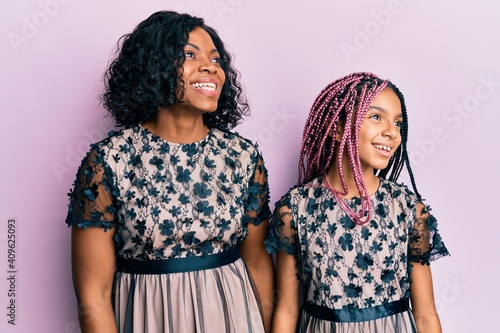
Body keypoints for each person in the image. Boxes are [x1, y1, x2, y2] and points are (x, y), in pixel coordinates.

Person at [66, 11, 275, 333]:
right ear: (154, 66)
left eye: (215, 59)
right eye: (190, 55)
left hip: (235, 317)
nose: (210, 67)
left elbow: (258, 265)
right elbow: (94, 296)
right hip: (148, 319)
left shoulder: (243, 157)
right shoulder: (109, 161)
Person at [266, 72, 449, 332]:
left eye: (398, 123)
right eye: (376, 117)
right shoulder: (296, 209)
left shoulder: (407, 209)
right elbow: (286, 308)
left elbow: (426, 315)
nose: (392, 133)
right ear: (337, 128)